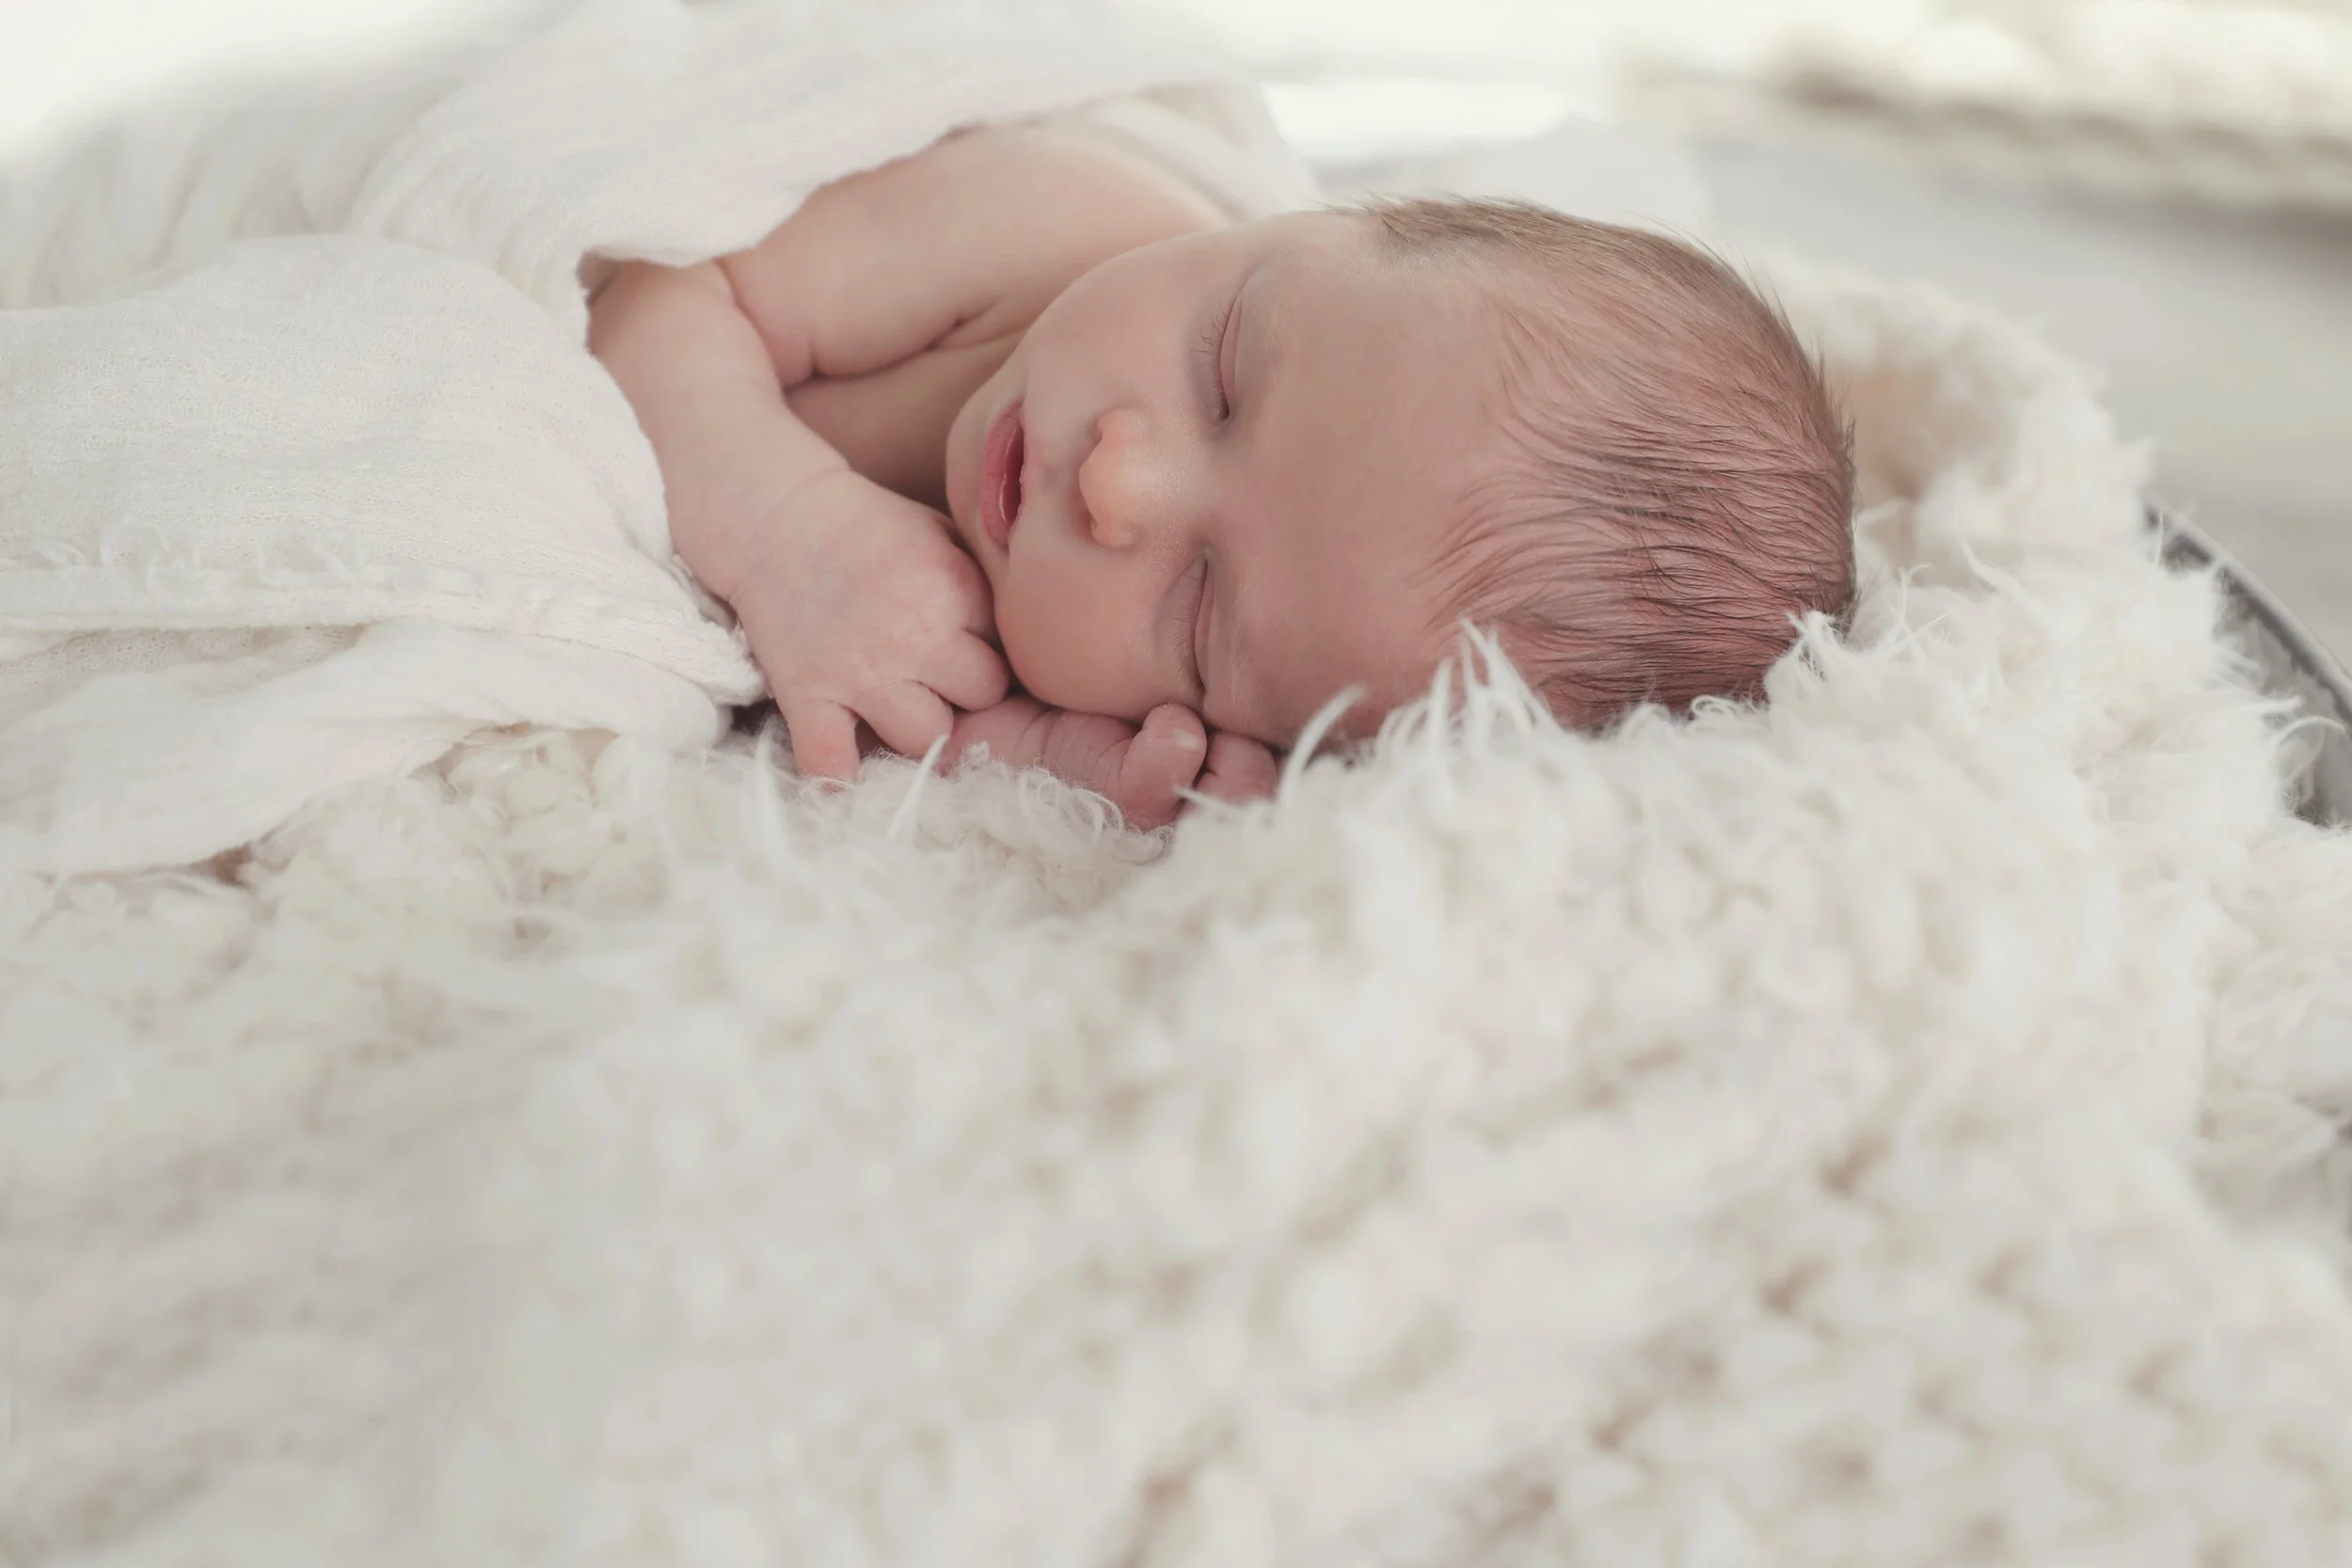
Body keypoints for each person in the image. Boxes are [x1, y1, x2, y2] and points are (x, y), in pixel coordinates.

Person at [588, 116, 1853, 828]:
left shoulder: (1155, 633)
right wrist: (787, 534)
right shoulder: (1048, 220)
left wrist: (1052, 751)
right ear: (1326, 225)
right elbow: (658, 290)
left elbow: (926, 689)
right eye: (1224, 374)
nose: (1116, 486)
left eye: (1195, 612)